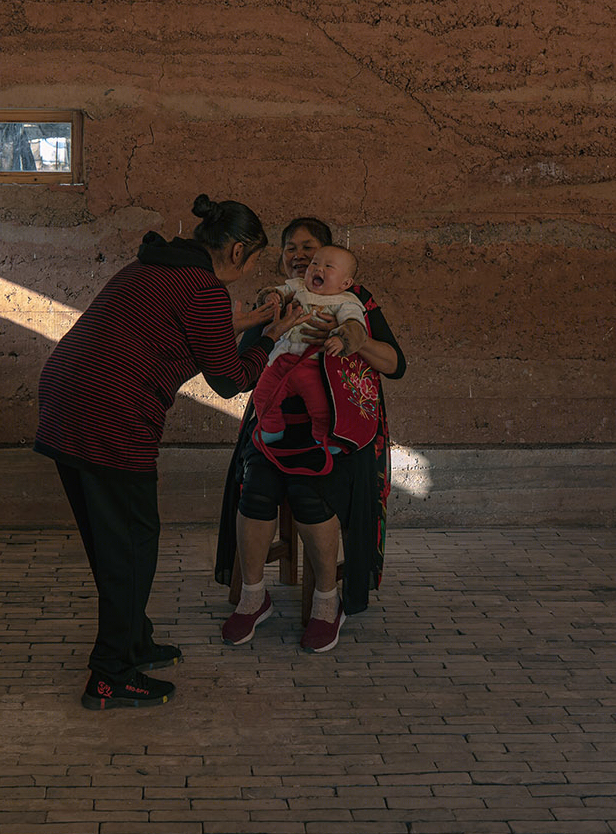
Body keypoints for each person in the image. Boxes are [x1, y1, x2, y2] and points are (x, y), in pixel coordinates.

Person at [36, 195, 308, 710]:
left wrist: (248, 321)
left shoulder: (153, 265)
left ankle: (134, 640)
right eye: (251, 261)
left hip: (66, 400)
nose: (248, 271)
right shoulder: (202, 288)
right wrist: (269, 341)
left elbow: (179, 330)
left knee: (113, 539)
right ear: (236, 250)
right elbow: (228, 380)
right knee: (133, 545)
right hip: (110, 415)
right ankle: (110, 674)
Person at [213, 218, 406, 654]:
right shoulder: (283, 297)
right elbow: (241, 374)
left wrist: (350, 341)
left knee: (310, 491)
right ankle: (253, 596)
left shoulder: (354, 301)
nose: (302, 257)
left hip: (337, 431)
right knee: (256, 488)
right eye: (292, 250)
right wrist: (268, 329)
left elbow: (396, 364)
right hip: (274, 425)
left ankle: (326, 602)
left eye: (311, 249)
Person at [248, 245, 368, 459]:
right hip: (282, 358)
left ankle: (323, 438)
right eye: (315, 263)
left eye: (328, 266)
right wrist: (271, 298)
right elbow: (278, 291)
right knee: (262, 395)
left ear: (346, 283)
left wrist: (342, 340)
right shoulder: (298, 286)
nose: (318, 269)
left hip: (313, 365)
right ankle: (271, 428)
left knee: (321, 407)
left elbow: (355, 327)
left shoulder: (346, 302)